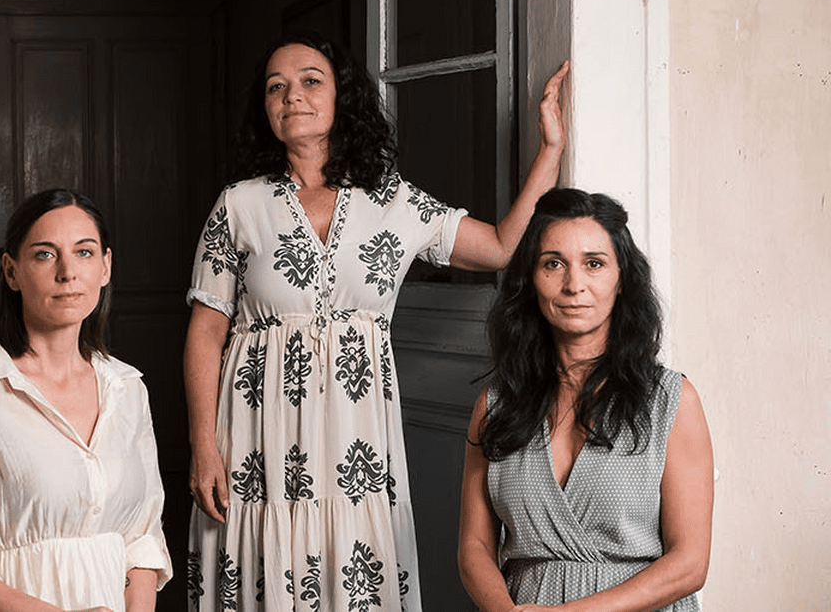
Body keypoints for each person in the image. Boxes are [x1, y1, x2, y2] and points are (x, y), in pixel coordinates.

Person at [184, 30, 569, 611]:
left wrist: (550, 152)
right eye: (276, 87)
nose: (293, 96)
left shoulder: (393, 201)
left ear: (342, 95)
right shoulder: (238, 204)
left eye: (310, 81)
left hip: (355, 437)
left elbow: (497, 246)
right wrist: (203, 445)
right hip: (257, 435)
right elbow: (205, 332)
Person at [0, 189, 172, 612]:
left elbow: (142, 538)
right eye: (45, 255)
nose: (68, 272)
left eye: (84, 252)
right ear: (11, 271)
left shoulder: (128, 389)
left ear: (106, 266)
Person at [458, 188, 714, 611]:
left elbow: (689, 564)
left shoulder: (671, 402)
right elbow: (474, 548)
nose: (574, 285)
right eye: (553, 263)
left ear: (622, 278)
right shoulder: (497, 405)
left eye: (594, 263)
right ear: (531, 279)